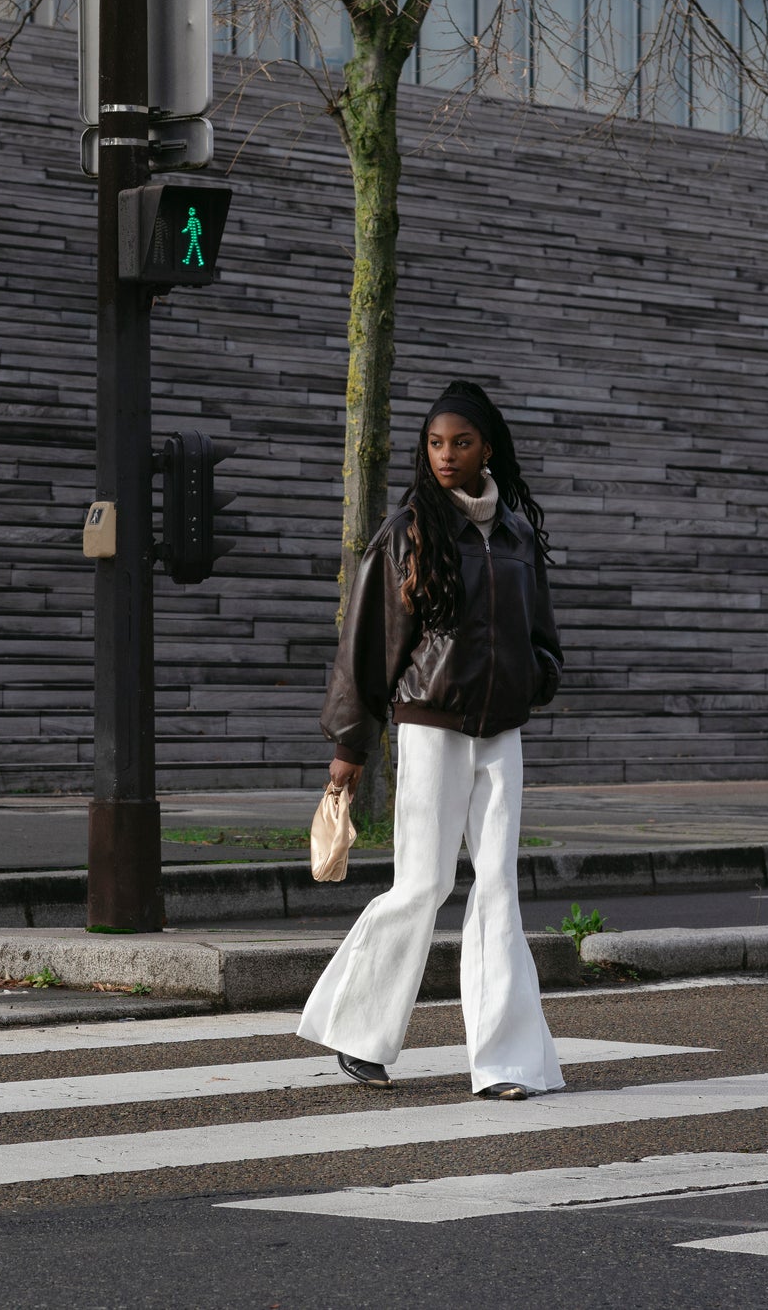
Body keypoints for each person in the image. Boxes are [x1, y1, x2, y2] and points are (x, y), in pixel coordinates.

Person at [300, 380, 566, 1102]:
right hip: (430, 728)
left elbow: (544, 636)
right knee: (424, 883)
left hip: (501, 735)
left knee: (500, 888)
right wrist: (349, 748)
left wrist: (534, 676)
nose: (446, 456)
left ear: (488, 449)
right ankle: (358, 1032)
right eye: (436, 443)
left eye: (462, 443)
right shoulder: (408, 531)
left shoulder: (515, 536)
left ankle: (506, 1062)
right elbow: (366, 648)